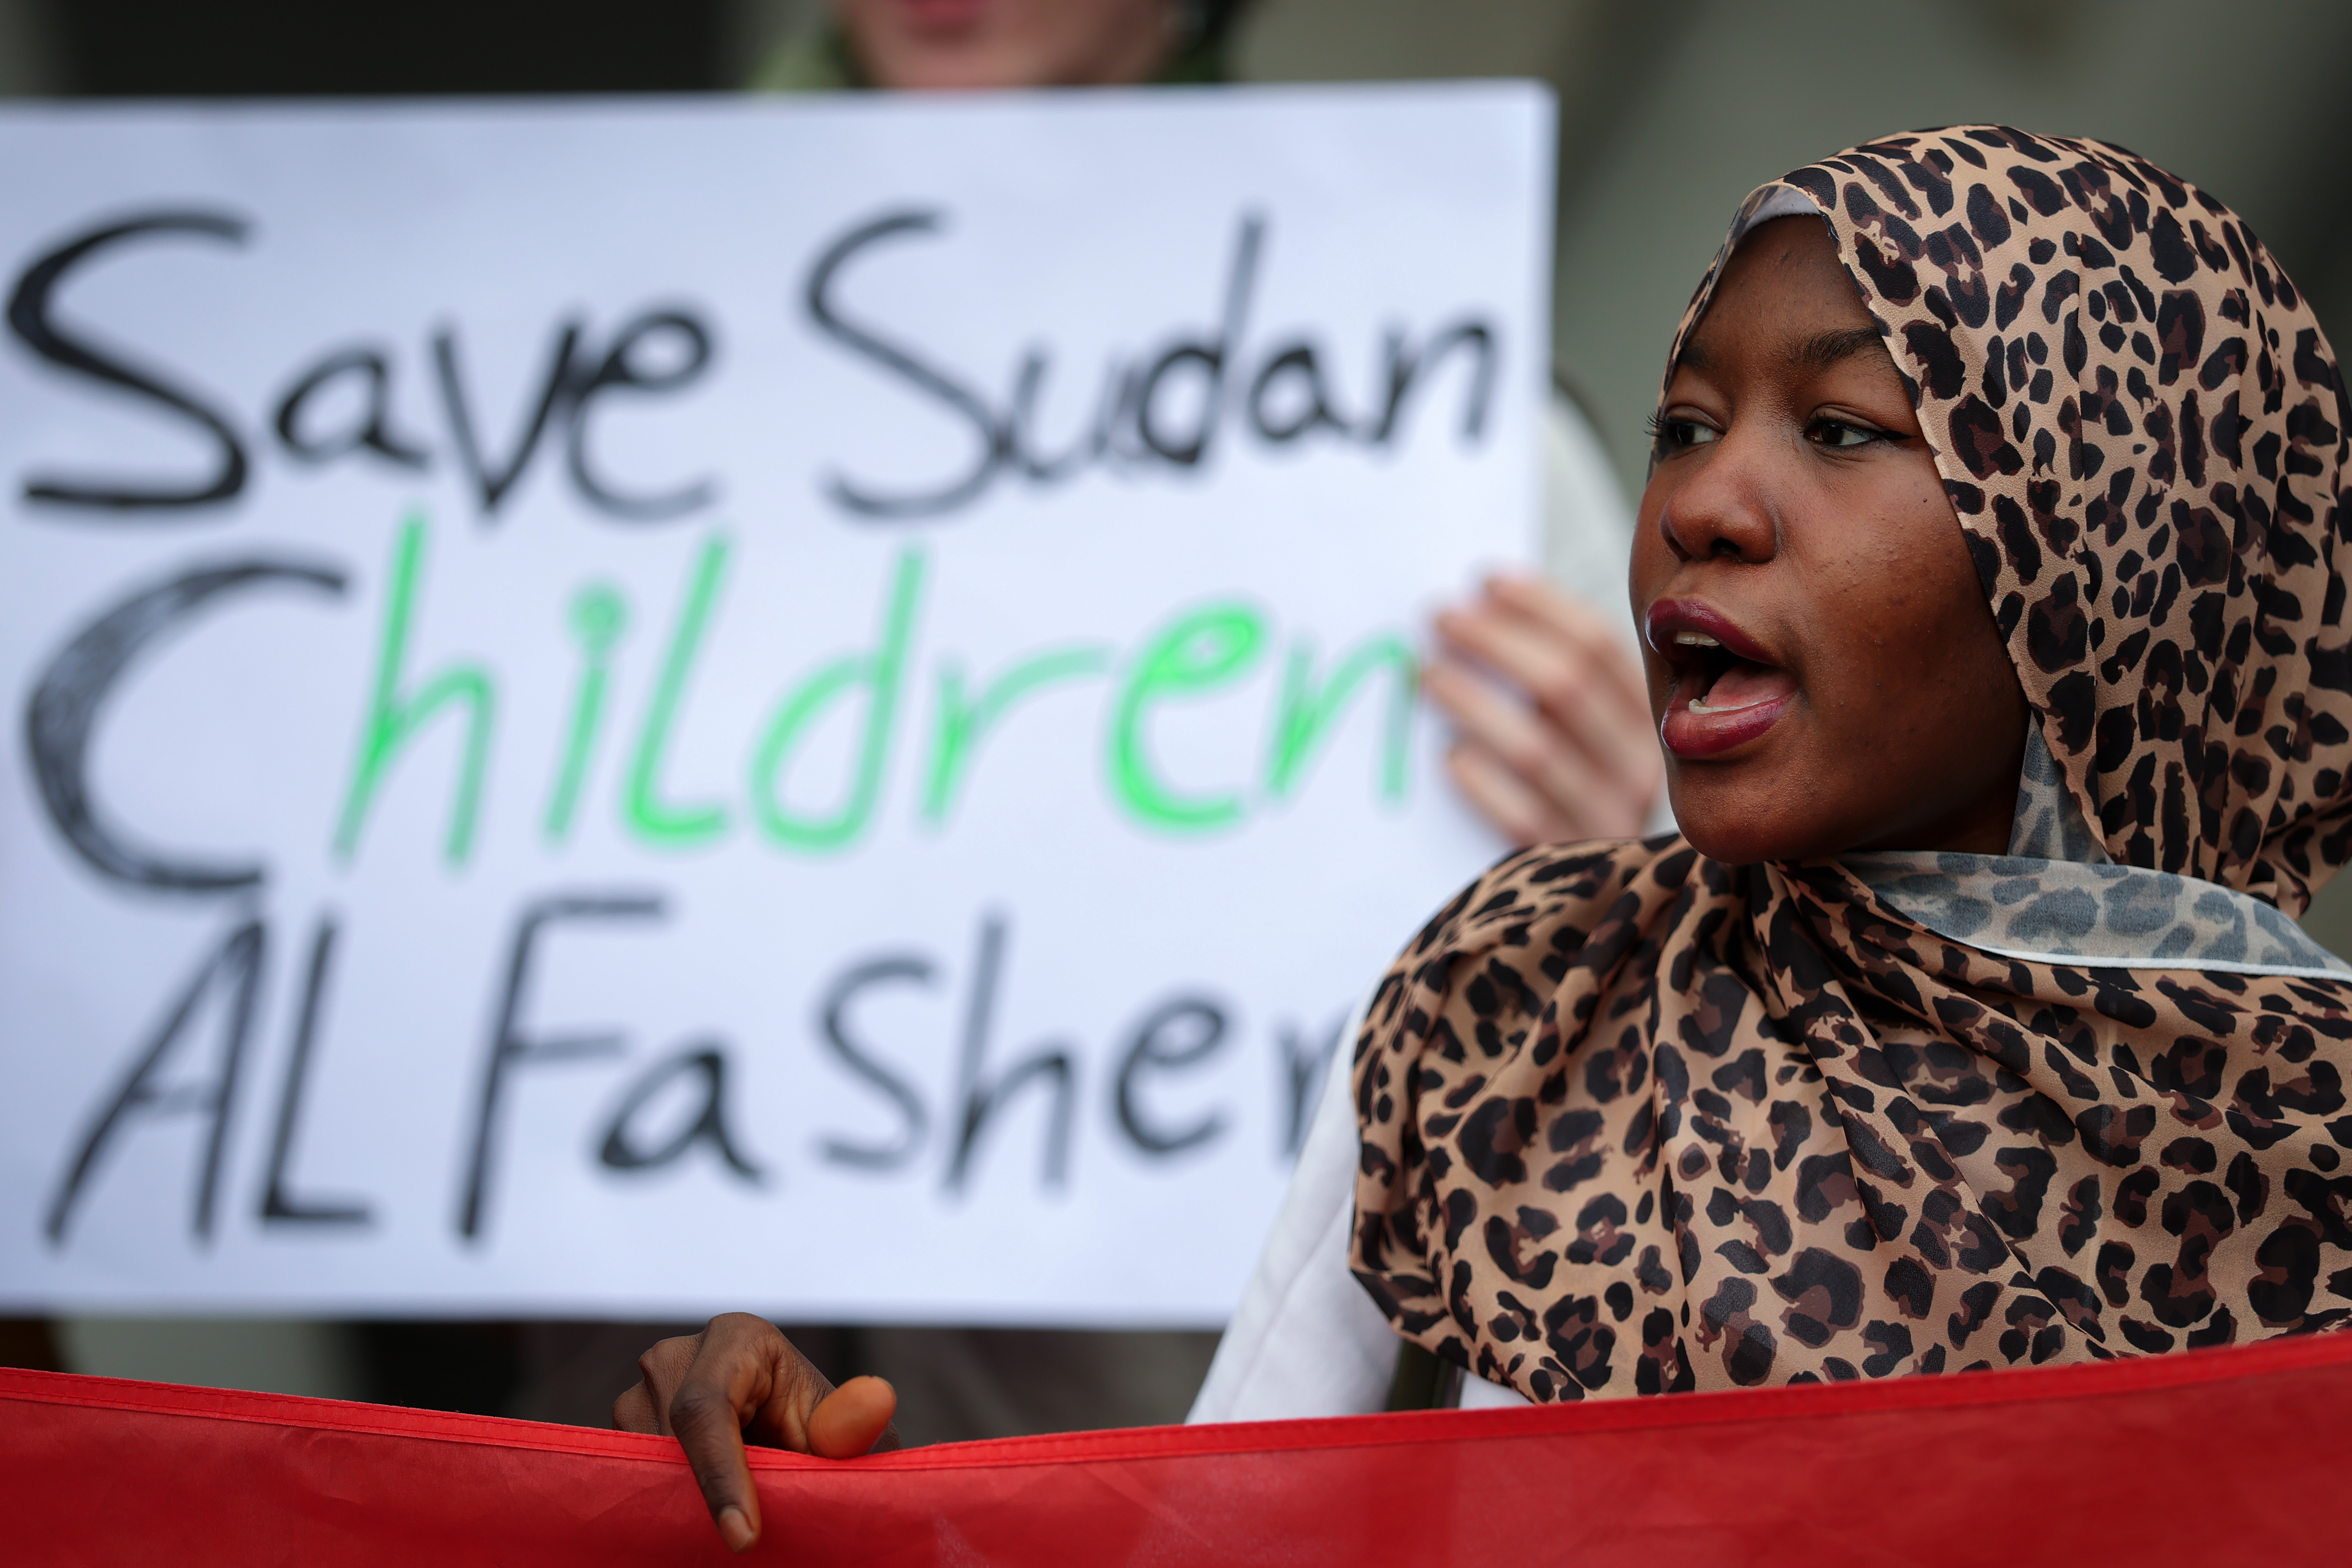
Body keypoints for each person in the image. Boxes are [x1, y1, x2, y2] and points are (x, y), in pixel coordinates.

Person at [617, 124, 2352, 1550]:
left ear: (2123, 548)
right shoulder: (1510, 1007)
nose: (1701, 504)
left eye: (1840, 431)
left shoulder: (2314, 1153)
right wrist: (842, 1519)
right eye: (1685, 423)